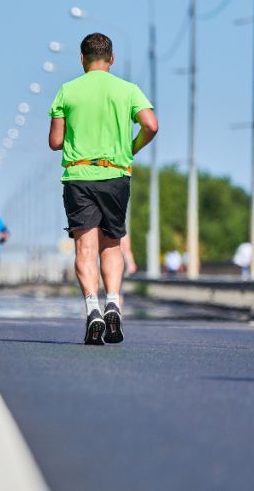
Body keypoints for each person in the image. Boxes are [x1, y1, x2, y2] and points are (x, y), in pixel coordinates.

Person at [48, 32, 158, 345]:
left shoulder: (67, 91)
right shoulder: (128, 90)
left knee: (85, 248)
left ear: (82, 59)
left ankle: (93, 310)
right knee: (112, 244)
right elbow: (151, 124)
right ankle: (113, 301)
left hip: (79, 175)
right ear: (111, 58)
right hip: (115, 175)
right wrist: (131, 148)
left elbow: (55, 142)